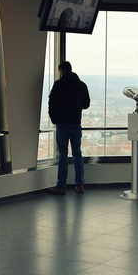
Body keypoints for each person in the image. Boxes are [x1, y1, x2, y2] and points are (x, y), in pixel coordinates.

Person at [48, 61, 90, 195]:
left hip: (62, 124)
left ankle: (61, 186)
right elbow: (86, 104)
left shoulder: (59, 84)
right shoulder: (82, 85)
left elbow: (52, 103)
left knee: (63, 155)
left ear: (62, 71)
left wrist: (54, 119)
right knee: (77, 154)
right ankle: (80, 185)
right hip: (76, 123)